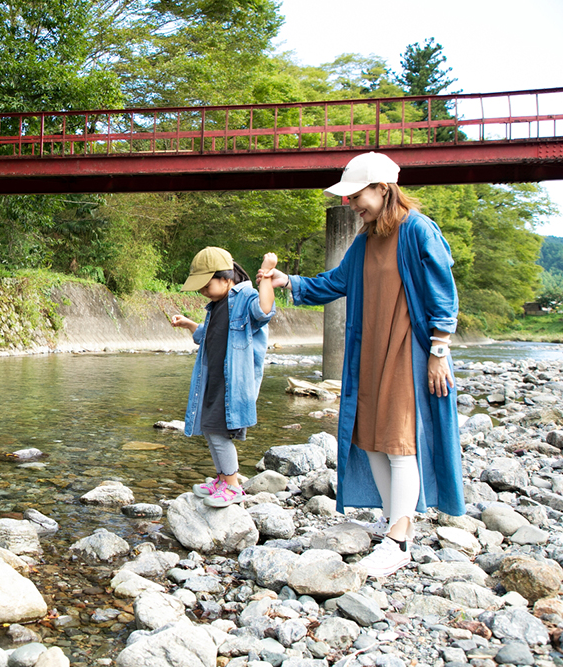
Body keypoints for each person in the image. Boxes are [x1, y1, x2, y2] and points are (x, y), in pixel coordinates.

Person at [260, 151, 465, 577]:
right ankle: (394, 520)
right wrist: (288, 282)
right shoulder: (366, 239)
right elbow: (336, 282)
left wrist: (439, 351)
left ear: (382, 189)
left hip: (407, 349)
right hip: (367, 350)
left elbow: (443, 291)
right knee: (368, 437)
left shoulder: (418, 230)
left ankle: (400, 538)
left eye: (356, 195)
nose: (351, 204)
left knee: (398, 440)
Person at [171, 247, 278, 507]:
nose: (203, 291)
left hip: (234, 383)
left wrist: (266, 273)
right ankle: (221, 479)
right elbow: (205, 335)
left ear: (227, 278)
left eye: (206, 284)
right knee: (210, 429)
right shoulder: (216, 306)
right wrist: (188, 323)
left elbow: (264, 310)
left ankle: (232, 486)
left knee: (220, 433)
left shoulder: (245, 297)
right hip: (213, 380)